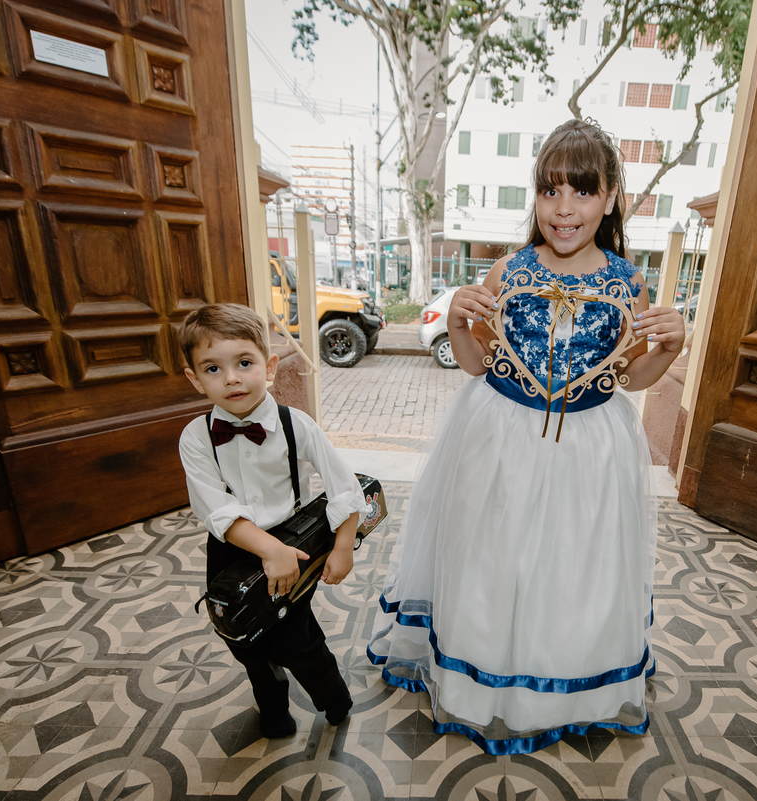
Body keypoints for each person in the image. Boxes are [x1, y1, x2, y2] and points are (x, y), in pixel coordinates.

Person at [368, 119, 685, 754]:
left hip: (590, 447)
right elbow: (476, 362)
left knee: (573, 561)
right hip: (503, 437)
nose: (564, 209)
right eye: (549, 191)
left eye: (583, 192)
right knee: (496, 555)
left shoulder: (627, 283)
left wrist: (669, 348)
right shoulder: (508, 273)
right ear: (535, 197)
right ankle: (483, 677)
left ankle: (568, 678)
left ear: (612, 196)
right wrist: (460, 318)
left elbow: (628, 375)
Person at [178, 303, 366, 739]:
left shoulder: (294, 424)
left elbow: (344, 485)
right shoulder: (196, 437)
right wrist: (267, 550)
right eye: (212, 368)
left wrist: (342, 547)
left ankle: (334, 699)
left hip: (294, 545)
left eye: (244, 363)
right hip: (231, 549)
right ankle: (273, 708)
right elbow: (215, 508)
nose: (231, 378)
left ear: (270, 366)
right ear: (194, 379)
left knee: (295, 639)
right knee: (245, 638)